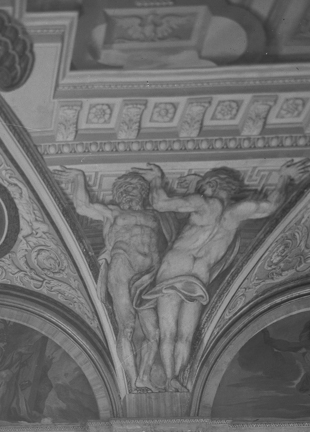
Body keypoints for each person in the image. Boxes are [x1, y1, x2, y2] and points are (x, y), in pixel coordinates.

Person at [134, 164, 295, 391]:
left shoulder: (203, 203)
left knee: (169, 333)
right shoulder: (238, 212)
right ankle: (177, 379)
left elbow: (159, 203)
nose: (202, 190)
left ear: (212, 184)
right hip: (199, 278)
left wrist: (157, 179)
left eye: (204, 186)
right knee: (185, 336)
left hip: (173, 270)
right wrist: (284, 177)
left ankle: (171, 378)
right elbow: (271, 205)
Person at [56, 169, 167, 391]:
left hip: (149, 274)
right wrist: (78, 177)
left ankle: (143, 376)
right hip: (122, 265)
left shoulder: (154, 215)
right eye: (123, 190)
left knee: (155, 333)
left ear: (142, 192)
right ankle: (130, 380)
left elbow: (165, 205)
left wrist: (157, 179)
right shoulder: (113, 212)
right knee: (126, 326)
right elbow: (82, 206)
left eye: (132, 189)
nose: (127, 194)